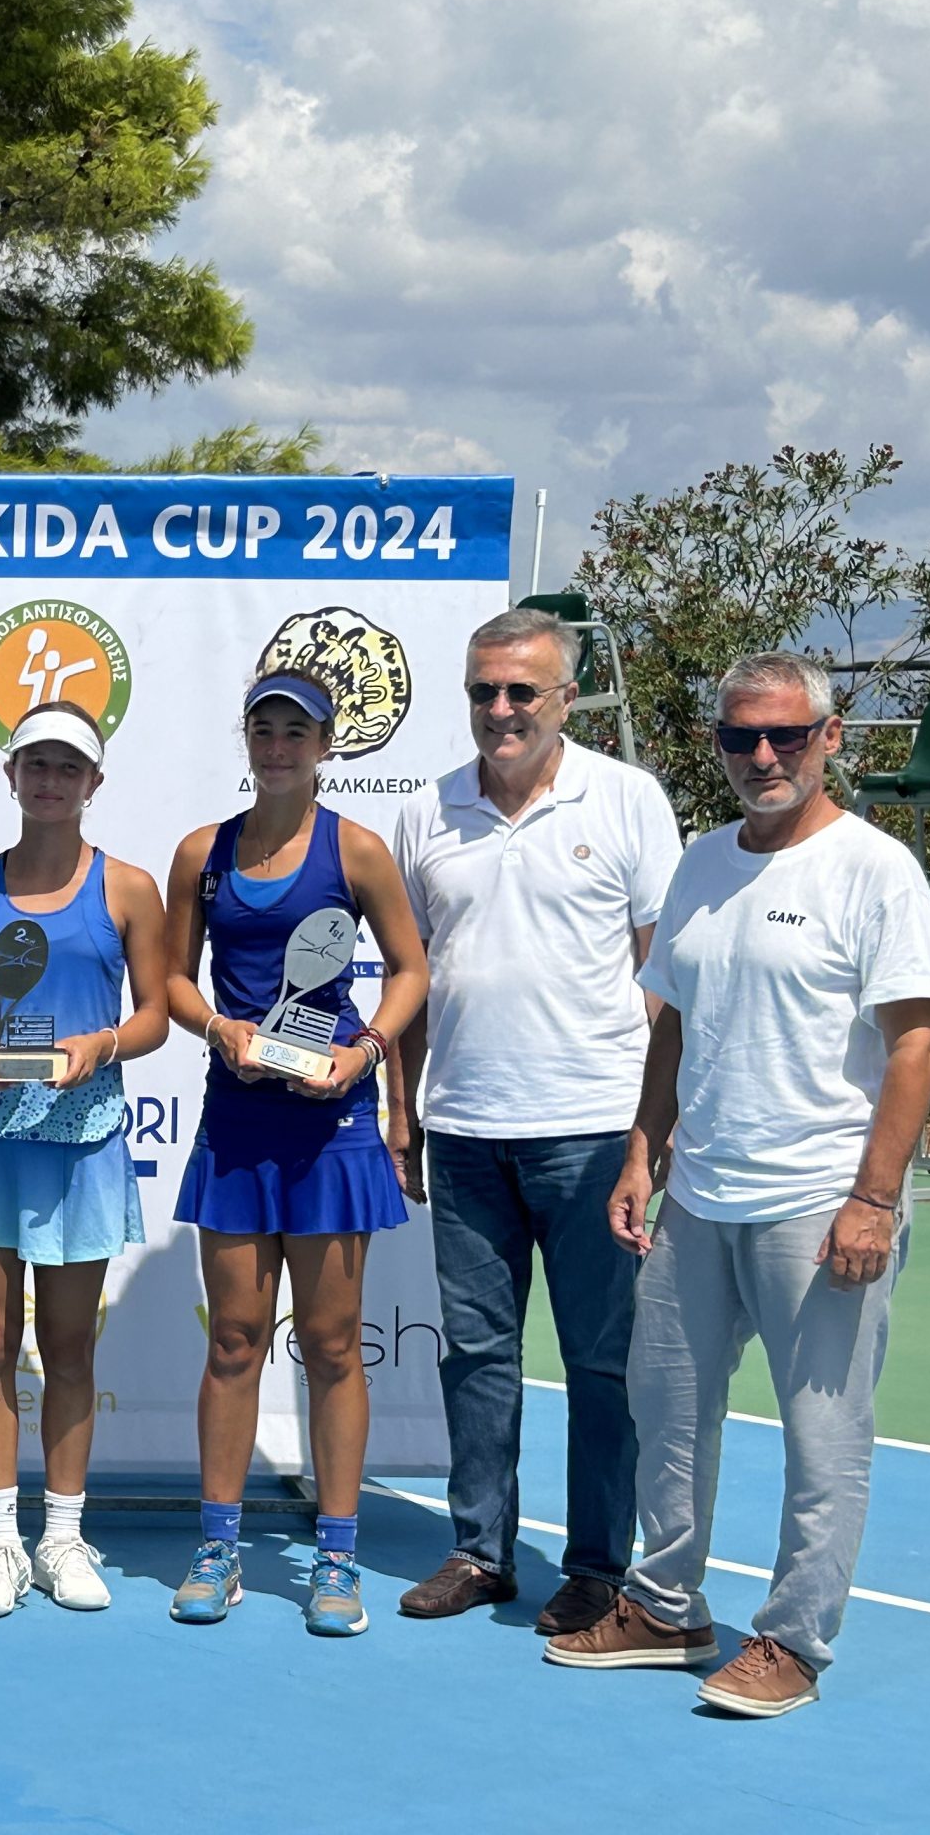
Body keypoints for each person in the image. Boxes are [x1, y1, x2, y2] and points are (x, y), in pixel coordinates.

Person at [547, 651, 930, 1718]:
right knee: (667, 1411)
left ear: (830, 738)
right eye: (738, 737)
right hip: (698, 1198)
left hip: (820, 1203)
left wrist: (872, 1198)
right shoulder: (700, 864)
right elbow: (669, 1016)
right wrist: (643, 1151)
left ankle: (794, 1642)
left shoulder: (874, 870)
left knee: (823, 1437)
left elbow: (914, 1048)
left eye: (783, 735)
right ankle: (666, 1607)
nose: (760, 756)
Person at [388, 607, 682, 1634]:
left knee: (605, 1363)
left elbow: (668, 981)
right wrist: (404, 1109)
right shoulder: (426, 813)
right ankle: (480, 1552)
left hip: (596, 1134)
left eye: (522, 691)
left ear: (565, 698)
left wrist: (649, 1132)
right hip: (464, 1131)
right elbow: (410, 983)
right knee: (474, 1355)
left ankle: (599, 1568)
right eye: (483, 692)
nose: (500, 710)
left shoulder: (630, 799)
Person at [161, 668, 429, 1637]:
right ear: (247, 739)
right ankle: (219, 1546)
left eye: (296, 733)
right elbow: (171, 981)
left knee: (327, 1344)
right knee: (233, 1339)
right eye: (264, 730)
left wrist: (363, 1053)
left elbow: (409, 969)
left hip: (333, 1125)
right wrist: (220, 1032)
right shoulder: (204, 851)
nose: (278, 747)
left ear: (325, 746)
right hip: (239, 1122)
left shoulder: (356, 850)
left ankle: (336, 1554)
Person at [0, 701, 170, 1618]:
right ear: (12, 776)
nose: (52, 782)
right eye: (37, 765)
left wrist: (101, 1046)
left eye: (70, 768)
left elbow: (153, 1013)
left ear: (94, 784)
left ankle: (61, 1538)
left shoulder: (130, 888)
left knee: (67, 1349)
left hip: (84, 1141)